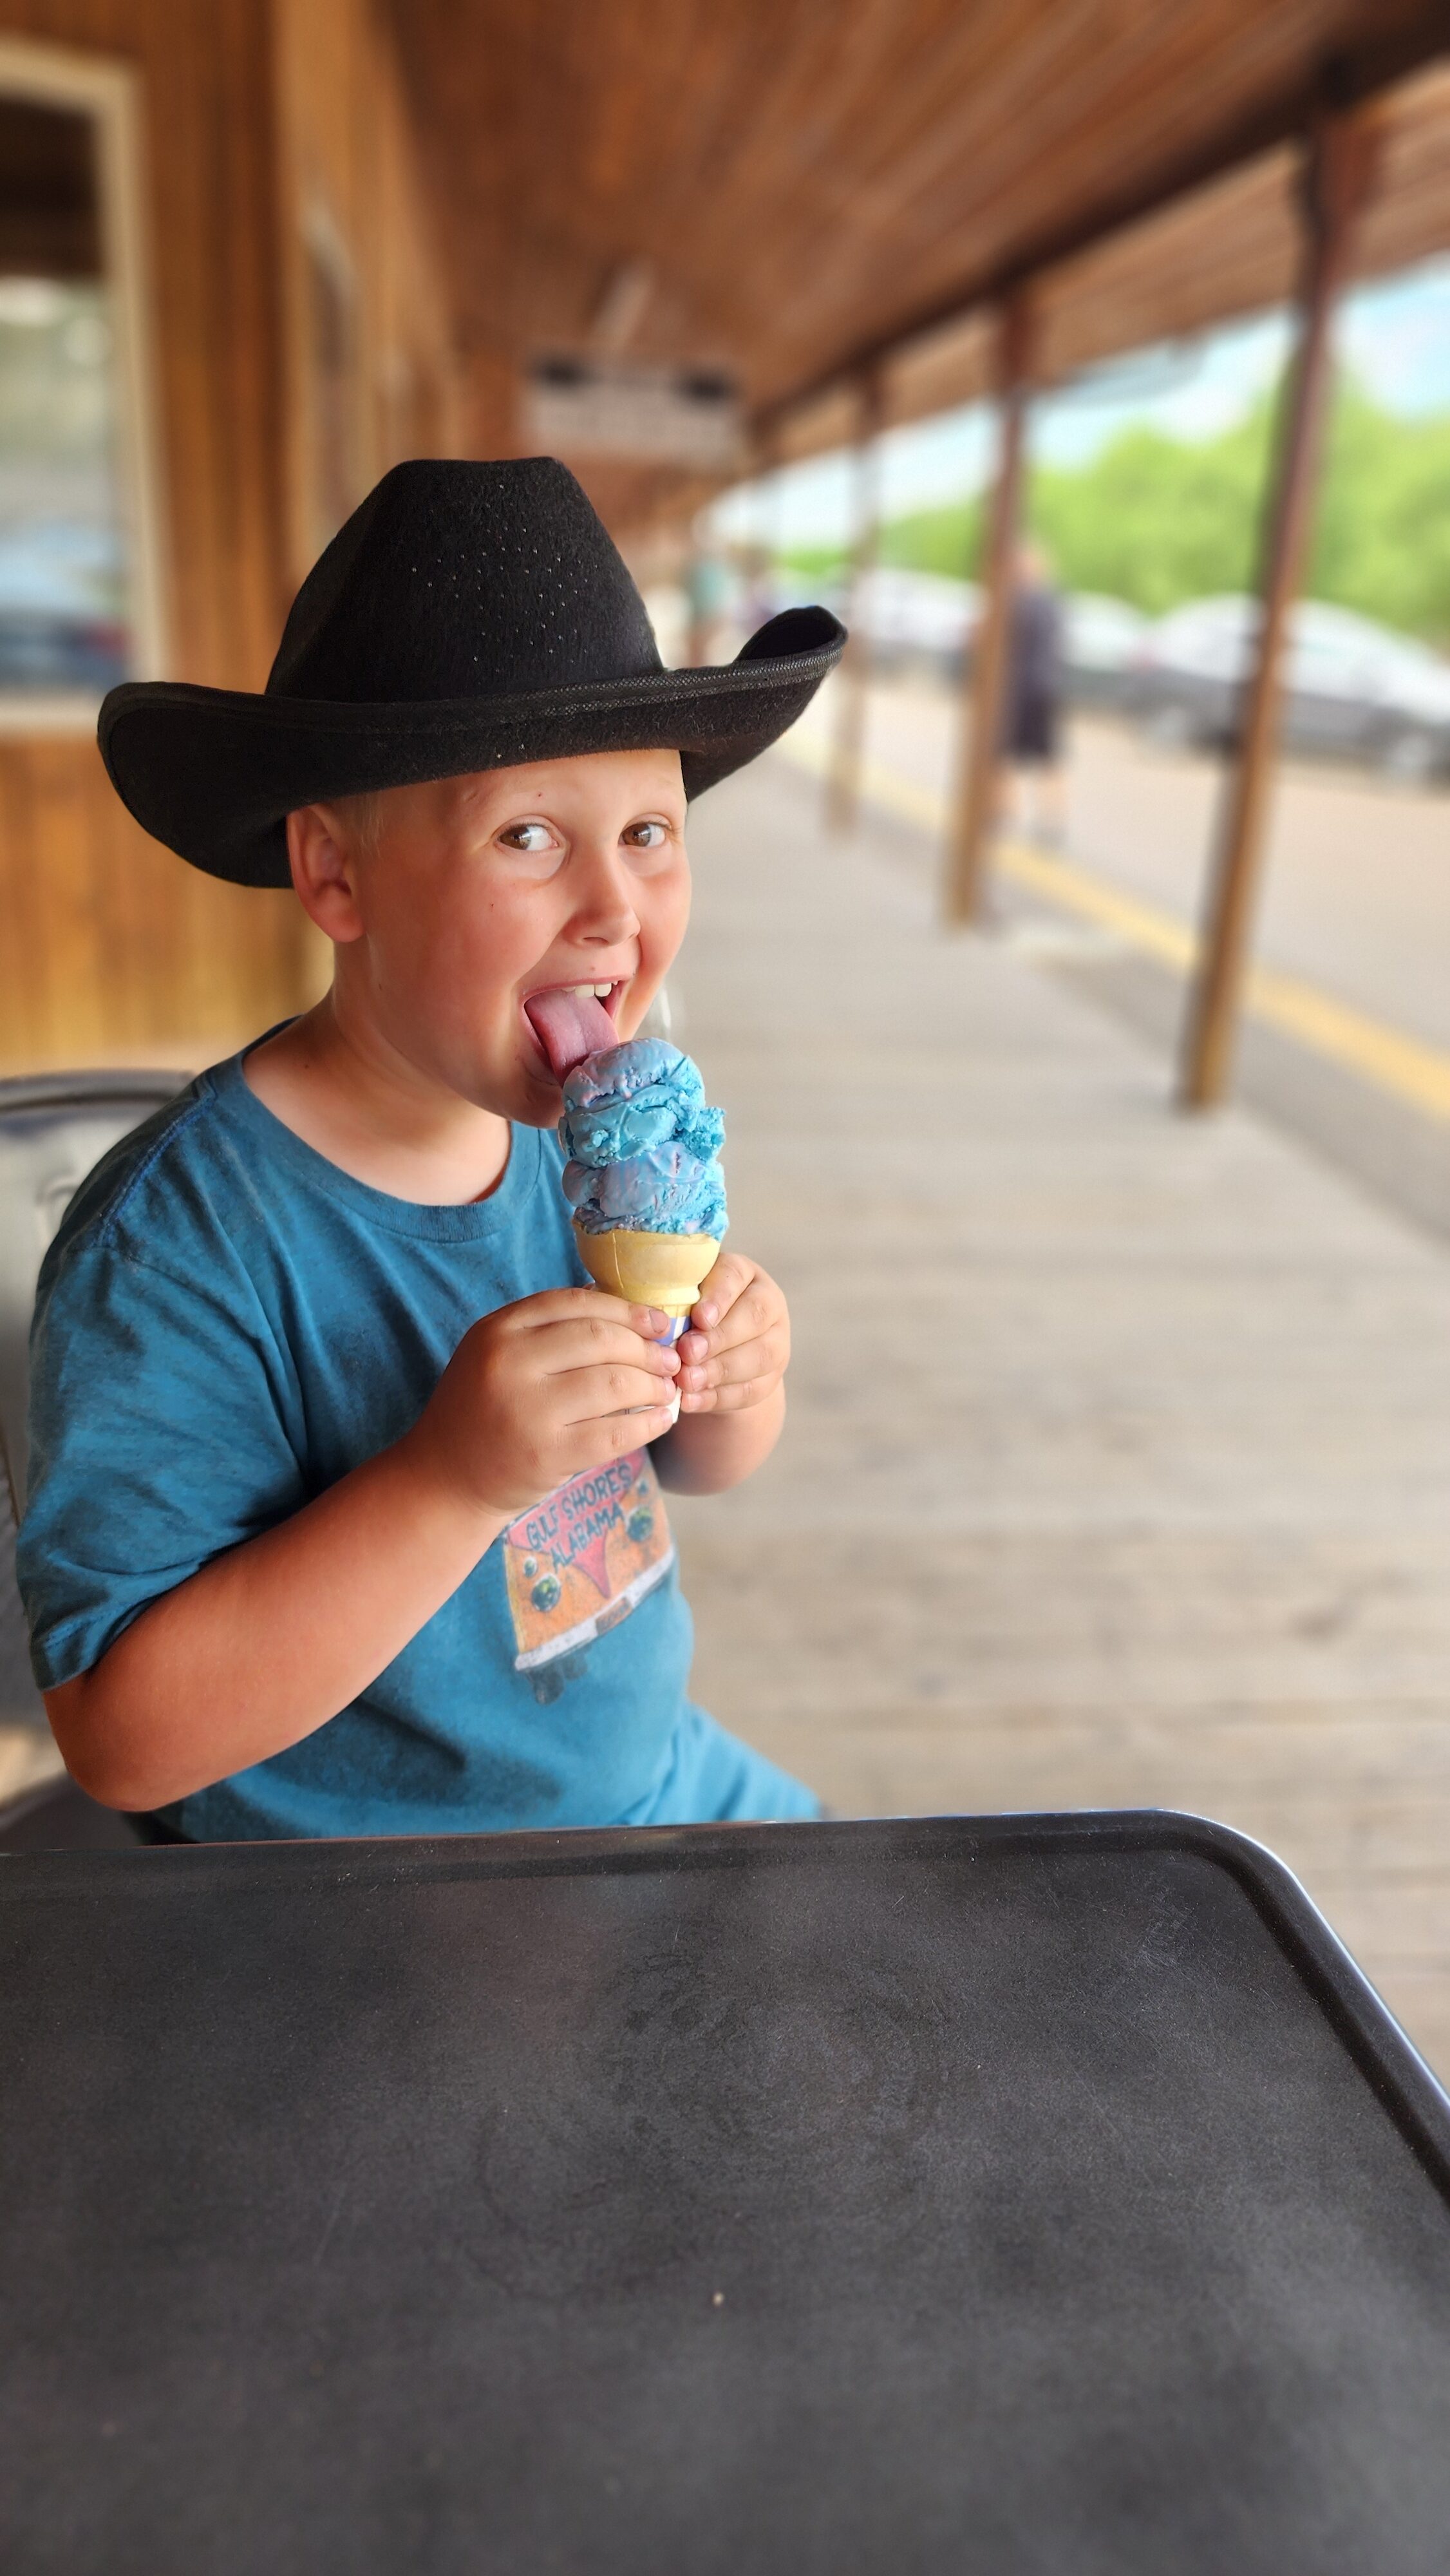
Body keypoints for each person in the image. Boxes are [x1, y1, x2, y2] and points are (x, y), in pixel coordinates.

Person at [17, 459, 844, 1841]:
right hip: (379, 1897)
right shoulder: (178, 1247)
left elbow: (689, 1464)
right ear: (335, 874)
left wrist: (727, 1380)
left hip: (656, 1782)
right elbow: (124, 1738)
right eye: (528, 835)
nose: (610, 905)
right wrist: (450, 1477)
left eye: (649, 830)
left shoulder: (590, 1148)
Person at [1001, 541, 1066, 844]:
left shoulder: (1018, 603)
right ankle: (1051, 822)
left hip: (1020, 690)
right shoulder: (1053, 603)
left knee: (1004, 755)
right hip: (1048, 687)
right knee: (1048, 759)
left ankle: (1005, 814)